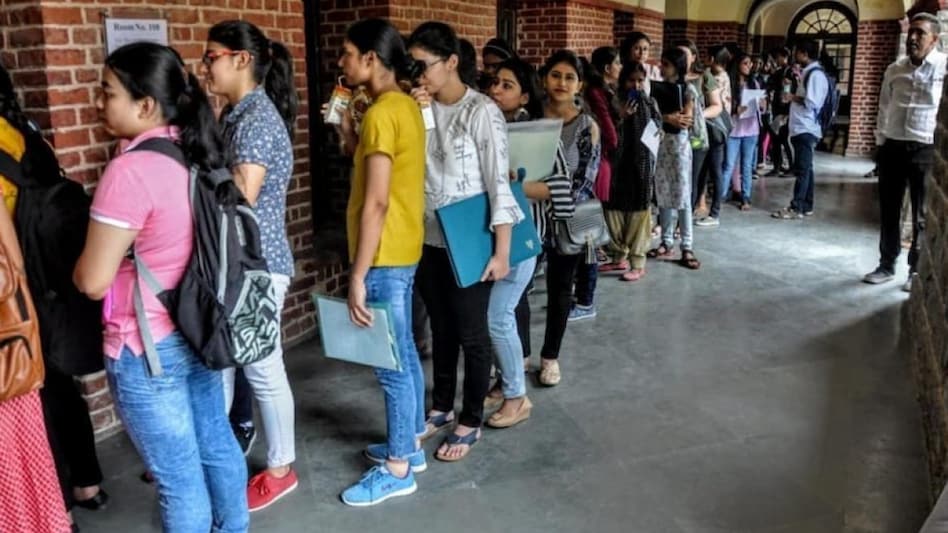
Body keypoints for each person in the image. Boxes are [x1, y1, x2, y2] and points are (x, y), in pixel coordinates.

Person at [73, 42, 249, 532]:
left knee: (179, 479)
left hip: (146, 346)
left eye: (108, 92)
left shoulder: (130, 171)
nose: (99, 103)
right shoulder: (196, 153)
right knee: (216, 445)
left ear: (145, 104)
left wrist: (76, 263)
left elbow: (93, 281)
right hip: (199, 328)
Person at [408, 22, 523, 461]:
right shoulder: (420, 106)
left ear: (452, 61)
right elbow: (418, 165)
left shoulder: (481, 111)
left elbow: (498, 182)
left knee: (472, 334)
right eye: (413, 66)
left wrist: (503, 251)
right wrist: (417, 114)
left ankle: (470, 419)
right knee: (441, 327)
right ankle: (441, 406)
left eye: (424, 65)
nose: (418, 74)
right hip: (428, 236)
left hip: (470, 238)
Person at [329, 18, 429, 505]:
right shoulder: (402, 105)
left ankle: (397, 469)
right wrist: (347, 128)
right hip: (402, 247)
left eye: (348, 53)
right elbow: (371, 168)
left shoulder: (382, 114)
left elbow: (376, 201)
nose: (342, 62)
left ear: (371, 58)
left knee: (390, 366)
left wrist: (357, 274)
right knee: (404, 351)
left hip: (383, 255)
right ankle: (409, 444)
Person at [204, 19, 300, 511]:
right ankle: (220, 457)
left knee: (262, 368)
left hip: (256, 266)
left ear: (241, 59)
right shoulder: (236, 114)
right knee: (224, 363)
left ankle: (281, 469)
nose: (206, 67)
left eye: (211, 57)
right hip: (238, 264)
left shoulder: (256, 118)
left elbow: (242, 193)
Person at [0, 64, 72, 533]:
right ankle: (76, 493)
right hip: (26, 295)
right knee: (52, 391)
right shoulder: (25, 132)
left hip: (11, 303)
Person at [484, 57, 569, 427]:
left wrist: (512, 185)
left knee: (499, 315)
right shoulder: (485, 125)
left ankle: (516, 393)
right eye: (494, 83)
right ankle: (505, 382)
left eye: (507, 85)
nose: (496, 90)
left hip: (521, 236)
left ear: (524, 96)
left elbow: (560, 186)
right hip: (485, 235)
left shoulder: (537, 133)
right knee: (496, 315)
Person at [863, 13, 946, 291]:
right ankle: (886, 264)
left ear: (934, 39)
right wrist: (880, 141)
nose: (913, 38)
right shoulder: (895, 69)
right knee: (889, 209)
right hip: (894, 145)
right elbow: (884, 107)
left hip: (925, 148)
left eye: (920, 33)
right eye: (911, 32)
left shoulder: (943, 67)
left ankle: (915, 270)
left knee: (921, 214)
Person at [540, 49, 601, 368]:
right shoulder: (529, 117)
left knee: (560, 289)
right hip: (526, 218)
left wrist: (551, 200)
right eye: (555, 75)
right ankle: (518, 356)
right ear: (544, 79)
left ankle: (550, 357)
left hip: (566, 220)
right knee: (517, 292)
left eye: (569, 77)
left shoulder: (586, 126)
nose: (561, 83)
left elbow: (585, 181)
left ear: (579, 85)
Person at [599, 62, 661, 282]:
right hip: (617, 166)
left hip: (641, 168)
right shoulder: (614, 102)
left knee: (638, 215)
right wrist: (621, 117)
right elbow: (605, 131)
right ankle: (618, 257)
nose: (636, 85)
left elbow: (657, 128)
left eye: (640, 81)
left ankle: (638, 263)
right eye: (631, 80)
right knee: (613, 212)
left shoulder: (650, 103)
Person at [648, 48, 699, 270]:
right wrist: (666, 117)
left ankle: (687, 244)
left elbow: (686, 119)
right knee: (663, 191)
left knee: (682, 194)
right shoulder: (655, 88)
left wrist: (668, 118)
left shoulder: (687, 89)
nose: (662, 68)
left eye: (666, 64)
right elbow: (651, 116)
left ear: (677, 67)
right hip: (660, 142)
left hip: (679, 145)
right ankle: (666, 241)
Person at [772, 39, 828, 221]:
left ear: (805, 54)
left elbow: (812, 103)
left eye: (797, 52)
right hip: (801, 126)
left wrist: (792, 97)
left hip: (806, 127)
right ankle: (807, 204)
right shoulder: (808, 73)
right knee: (807, 169)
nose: (795, 56)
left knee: (802, 170)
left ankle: (796, 207)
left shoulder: (815, 75)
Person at [677, 40, 723, 216]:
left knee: (693, 173)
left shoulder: (703, 76)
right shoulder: (670, 76)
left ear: (694, 57)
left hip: (696, 134)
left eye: (685, 54)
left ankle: (685, 219)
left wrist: (698, 116)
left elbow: (717, 106)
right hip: (674, 133)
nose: (681, 58)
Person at [719, 51, 764, 212]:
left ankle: (746, 197)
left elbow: (761, 106)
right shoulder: (730, 84)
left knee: (747, 165)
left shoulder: (754, 83)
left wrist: (761, 104)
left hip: (751, 128)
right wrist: (734, 110)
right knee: (728, 164)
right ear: (737, 65)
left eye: (750, 63)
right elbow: (723, 106)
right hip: (734, 128)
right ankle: (721, 195)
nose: (749, 66)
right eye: (745, 63)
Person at [765, 46, 794, 177]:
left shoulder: (790, 72)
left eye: (778, 57)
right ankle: (777, 166)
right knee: (776, 139)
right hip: (776, 109)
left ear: (784, 57)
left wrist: (786, 112)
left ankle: (792, 166)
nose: (776, 60)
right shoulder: (779, 71)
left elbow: (787, 92)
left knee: (784, 139)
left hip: (784, 111)